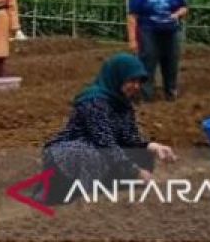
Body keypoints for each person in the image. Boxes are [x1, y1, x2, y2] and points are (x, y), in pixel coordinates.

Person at [40, 53, 177, 205]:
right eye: (131, 80)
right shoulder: (94, 101)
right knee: (93, 154)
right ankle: (67, 192)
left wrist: (153, 146)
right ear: (117, 77)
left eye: (139, 81)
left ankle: (106, 186)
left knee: (143, 154)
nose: (136, 86)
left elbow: (129, 138)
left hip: (100, 151)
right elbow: (104, 142)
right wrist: (136, 172)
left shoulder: (122, 103)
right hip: (73, 152)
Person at [127, 0, 188, 101]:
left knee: (171, 62)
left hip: (171, 31)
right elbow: (132, 16)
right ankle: (146, 95)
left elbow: (184, 7)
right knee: (148, 62)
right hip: (148, 32)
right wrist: (133, 39)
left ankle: (171, 92)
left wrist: (176, 14)